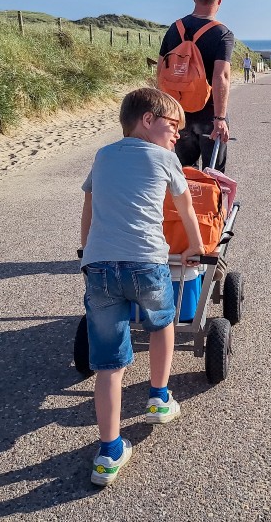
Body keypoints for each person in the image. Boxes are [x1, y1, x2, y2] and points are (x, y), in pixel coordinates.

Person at [80, 87, 205, 487]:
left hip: (99, 267)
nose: (176, 137)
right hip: (147, 262)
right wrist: (197, 248)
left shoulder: (102, 156)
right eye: (172, 127)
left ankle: (109, 452)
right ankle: (158, 396)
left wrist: (86, 251)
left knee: (108, 365)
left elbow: (89, 205)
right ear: (148, 120)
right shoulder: (167, 159)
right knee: (161, 323)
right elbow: (185, 209)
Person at [158, 0, 234, 173]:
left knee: (185, 174)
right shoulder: (222, 34)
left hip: (180, 114)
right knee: (213, 176)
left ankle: (187, 205)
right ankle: (213, 205)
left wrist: (168, 114)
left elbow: (161, 72)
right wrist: (220, 119)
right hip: (209, 115)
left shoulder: (175, 29)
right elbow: (221, 77)